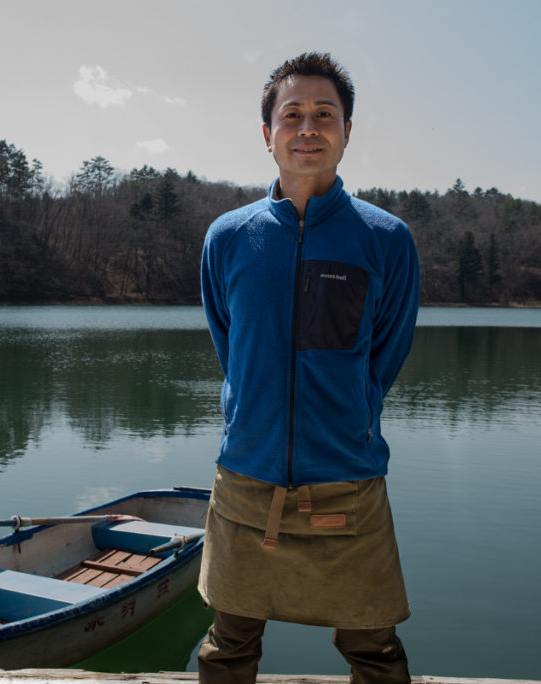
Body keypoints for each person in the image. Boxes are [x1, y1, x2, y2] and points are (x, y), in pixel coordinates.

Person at [197, 52, 420, 684]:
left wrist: (345, 420)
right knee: (227, 646)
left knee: (375, 649)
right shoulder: (229, 237)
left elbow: (386, 355)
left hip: (347, 483)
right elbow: (231, 346)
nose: (308, 127)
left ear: (348, 131)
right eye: (291, 114)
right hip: (246, 480)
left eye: (325, 114)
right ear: (267, 134)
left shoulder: (386, 239)